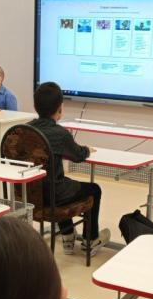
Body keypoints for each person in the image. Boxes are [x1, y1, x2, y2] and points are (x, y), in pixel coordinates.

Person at [28, 81, 110, 256]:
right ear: (60, 108)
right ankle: (91, 240)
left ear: (35, 106)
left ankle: (67, 236)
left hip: (30, 195)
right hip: (54, 194)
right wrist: (87, 150)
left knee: (63, 184)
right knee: (93, 189)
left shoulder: (24, 130)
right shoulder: (60, 134)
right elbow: (78, 155)